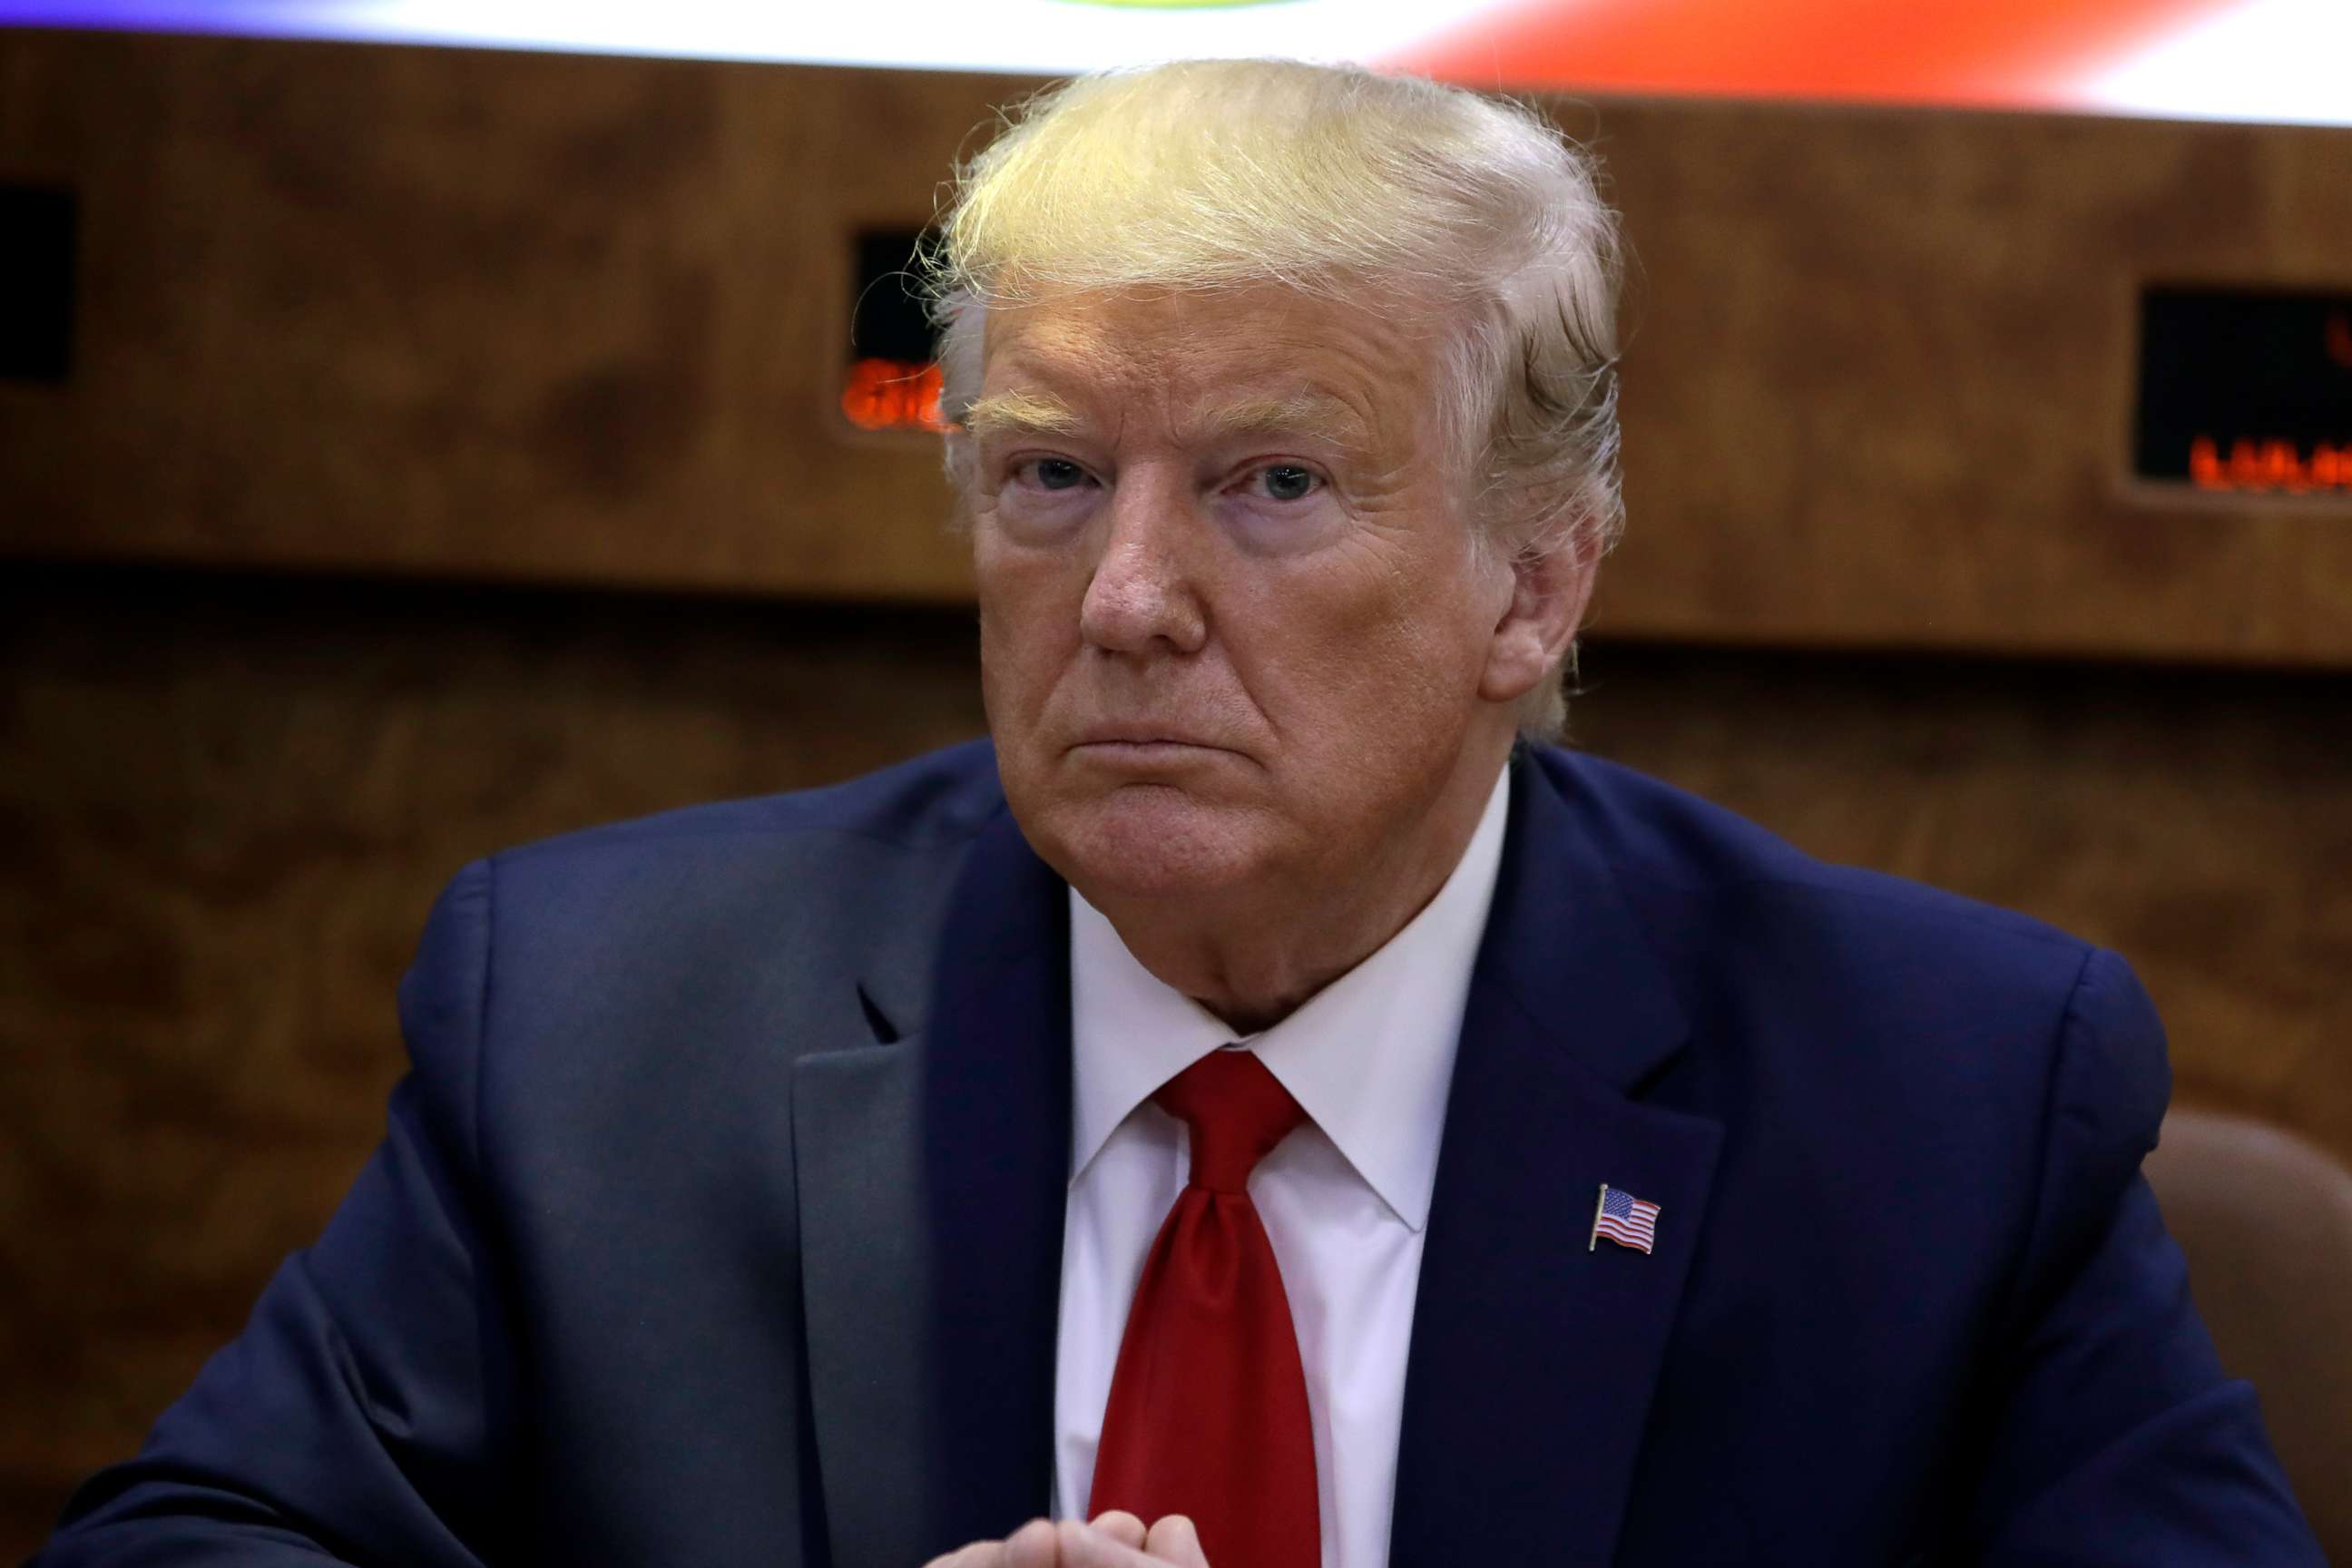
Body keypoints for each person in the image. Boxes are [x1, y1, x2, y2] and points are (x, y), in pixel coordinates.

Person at [37, 58, 2320, 1568]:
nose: (1124, 600)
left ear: (1537, 579)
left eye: (1274, 485)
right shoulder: (614, 1028)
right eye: (1047, 477)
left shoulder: (1931, 1096)